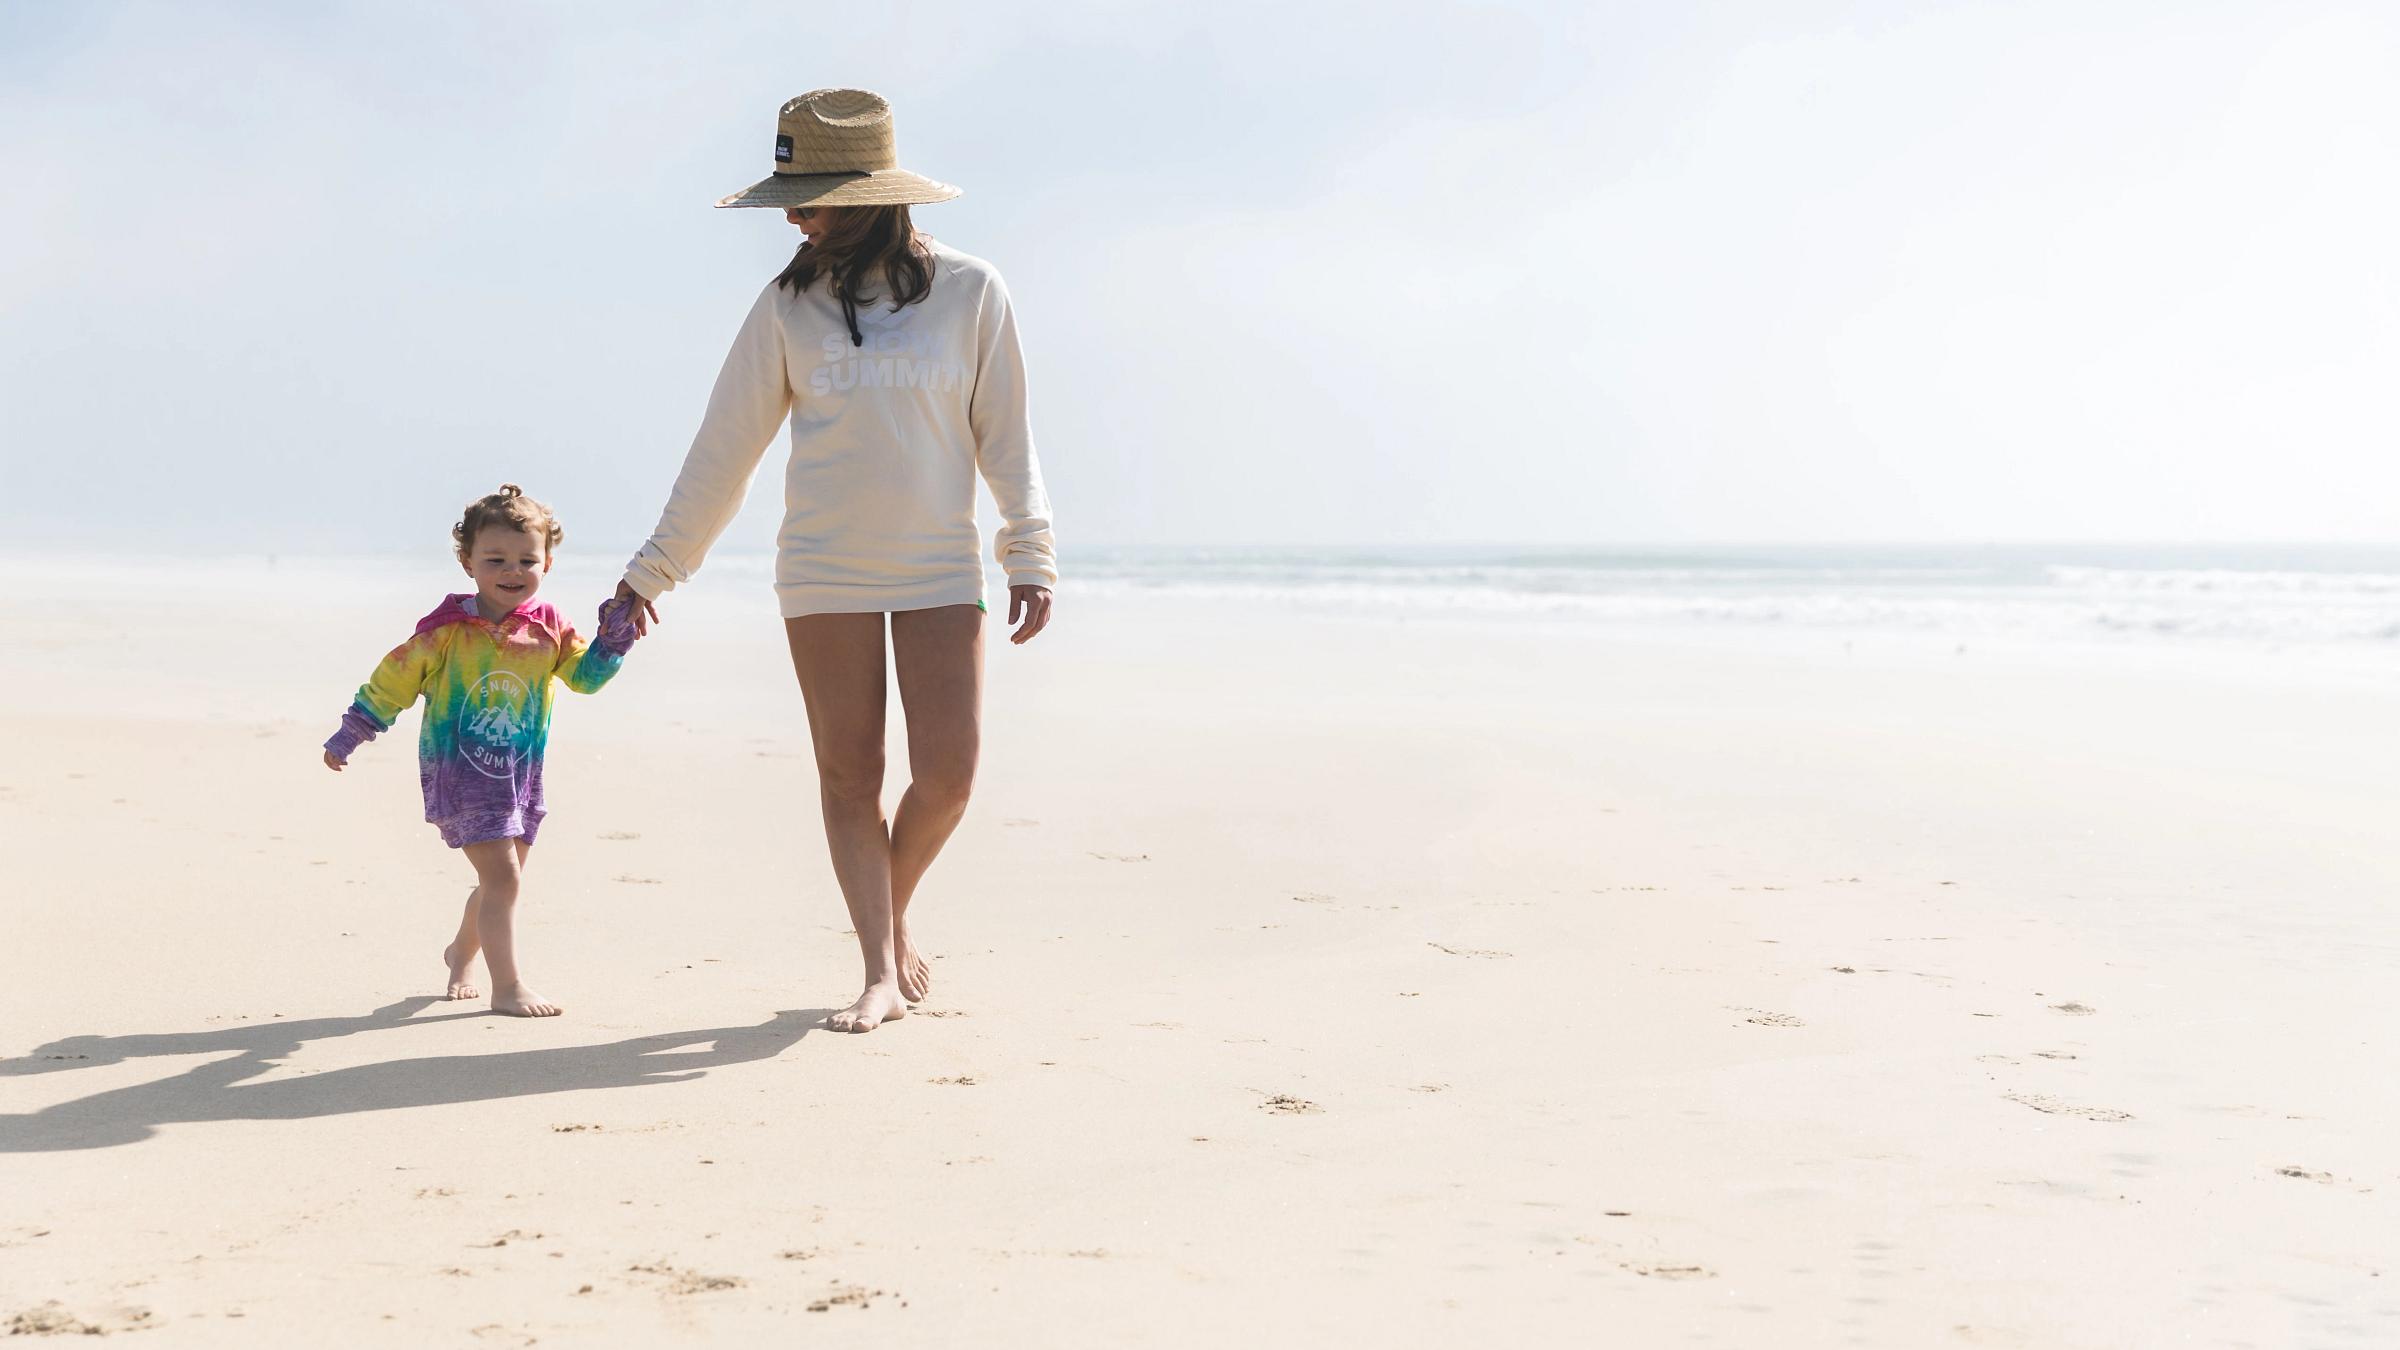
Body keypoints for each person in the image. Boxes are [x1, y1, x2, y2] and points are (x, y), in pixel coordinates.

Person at [612, 88, 1058, 1034]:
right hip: (823, 572)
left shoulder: (974, 292)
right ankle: (877, 968)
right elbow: (721, 454)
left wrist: (1030, 549)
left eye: (809, 200)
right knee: (850, 774)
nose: (792, 218)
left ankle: (889, 918)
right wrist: (652, 575)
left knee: (949, 775)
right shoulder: (787, 307)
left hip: (940, 564)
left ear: (867, 199)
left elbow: (1007, 437)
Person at [324, 484, 642, 1017]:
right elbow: (391, 682)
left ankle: (460, 953)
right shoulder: (446, 632)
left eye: (526, 559)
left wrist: (612, 641)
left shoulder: (550, 627)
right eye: (494, 558)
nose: (511, 570)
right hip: (460, 773)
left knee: (501, 877)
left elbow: (585, 680)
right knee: (504, 878)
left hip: (519, 775)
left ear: (548, 561)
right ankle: (509, 986)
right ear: (467, 561)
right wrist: (354, 729)